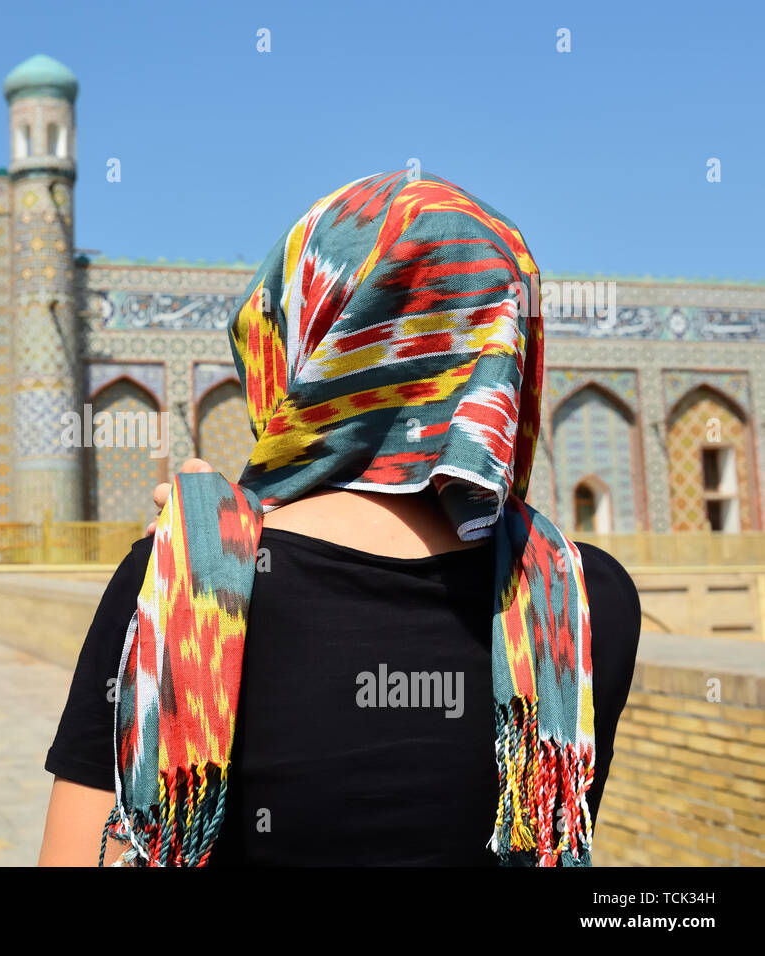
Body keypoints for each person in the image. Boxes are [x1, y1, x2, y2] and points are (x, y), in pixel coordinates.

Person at [38, 171, 641, 867]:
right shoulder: (583, 596)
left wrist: (209, 539)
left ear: (309, 338)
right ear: (507, 347)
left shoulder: (178, 580)